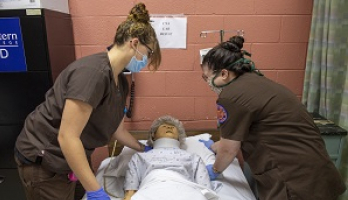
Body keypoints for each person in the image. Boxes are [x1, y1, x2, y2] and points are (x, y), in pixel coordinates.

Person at [14, 3, 161, 200]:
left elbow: (118, 131)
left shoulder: (120, 83)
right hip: (45, 159)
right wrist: (95, 190)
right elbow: (67, 137)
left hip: (70, 159)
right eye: (149, 53)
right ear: (134, 43)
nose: (147, 60)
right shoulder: (92, 74)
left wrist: (144, 149)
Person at [199, 35, 346, 200]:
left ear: (224, 73)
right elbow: (242, 134)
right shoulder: (258, 82)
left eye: (207, 77)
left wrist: (216, 170)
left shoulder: (231, 96)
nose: (207, 82)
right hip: (318, 173)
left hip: (294, 181)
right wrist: (214, 146)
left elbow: (229, 149)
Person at [123, 115, 215, 200]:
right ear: (153, 135)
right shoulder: (139, 157)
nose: (169, 127)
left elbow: (205, 188)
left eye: (173, 127)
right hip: (151, 188)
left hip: (185, 188)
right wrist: (128, 196)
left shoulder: (193, 157)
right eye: (163, 126)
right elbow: (131, 189)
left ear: (179, 137)